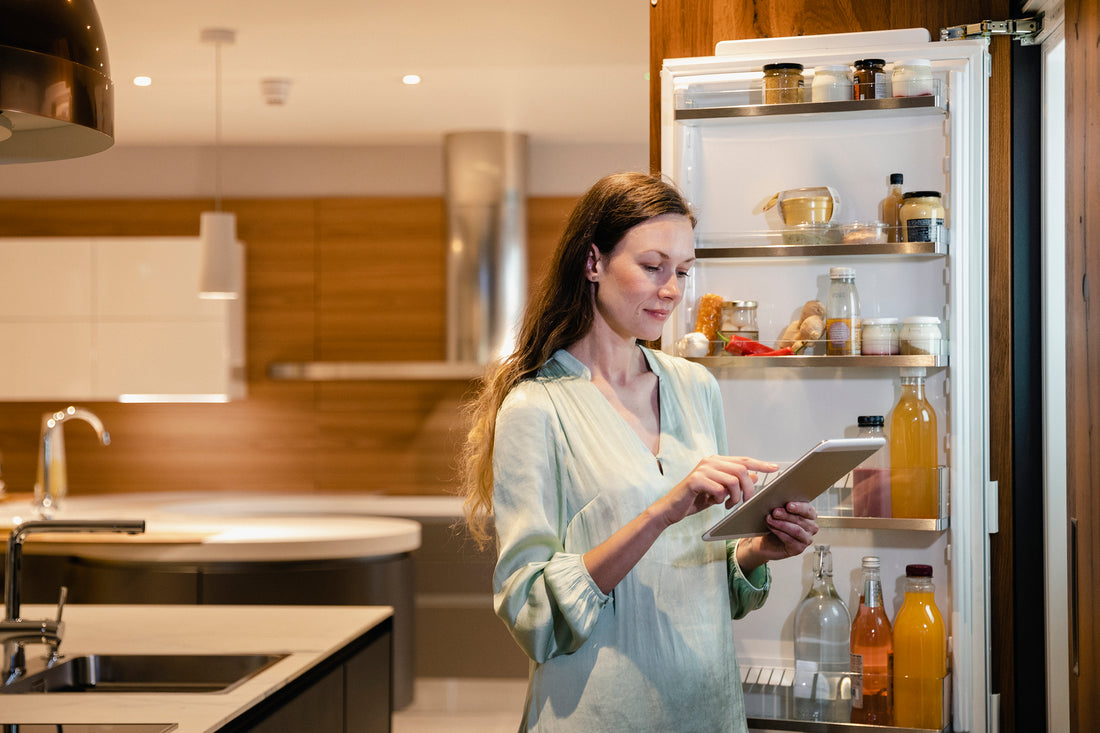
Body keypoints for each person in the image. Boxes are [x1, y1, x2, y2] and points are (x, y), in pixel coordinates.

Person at [460, 172, 819, 732]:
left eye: (682, 271)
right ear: (592, 262)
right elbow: (532, 614)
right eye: (653, 267)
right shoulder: (537, 408)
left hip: (707, 709)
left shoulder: (696, 387)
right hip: (598, 713)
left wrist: (753, 550)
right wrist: (661, 512)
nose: (672, 289)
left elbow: (693, 578)